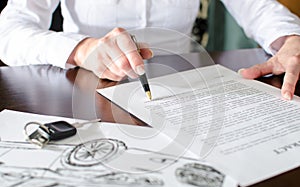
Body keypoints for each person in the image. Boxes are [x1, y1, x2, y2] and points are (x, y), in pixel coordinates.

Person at [0, 0, 300, 100]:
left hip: (186, 91)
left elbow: (257, 8)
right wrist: (83, 49)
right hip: (83, 93)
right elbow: (9, 32)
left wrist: (291, 39)